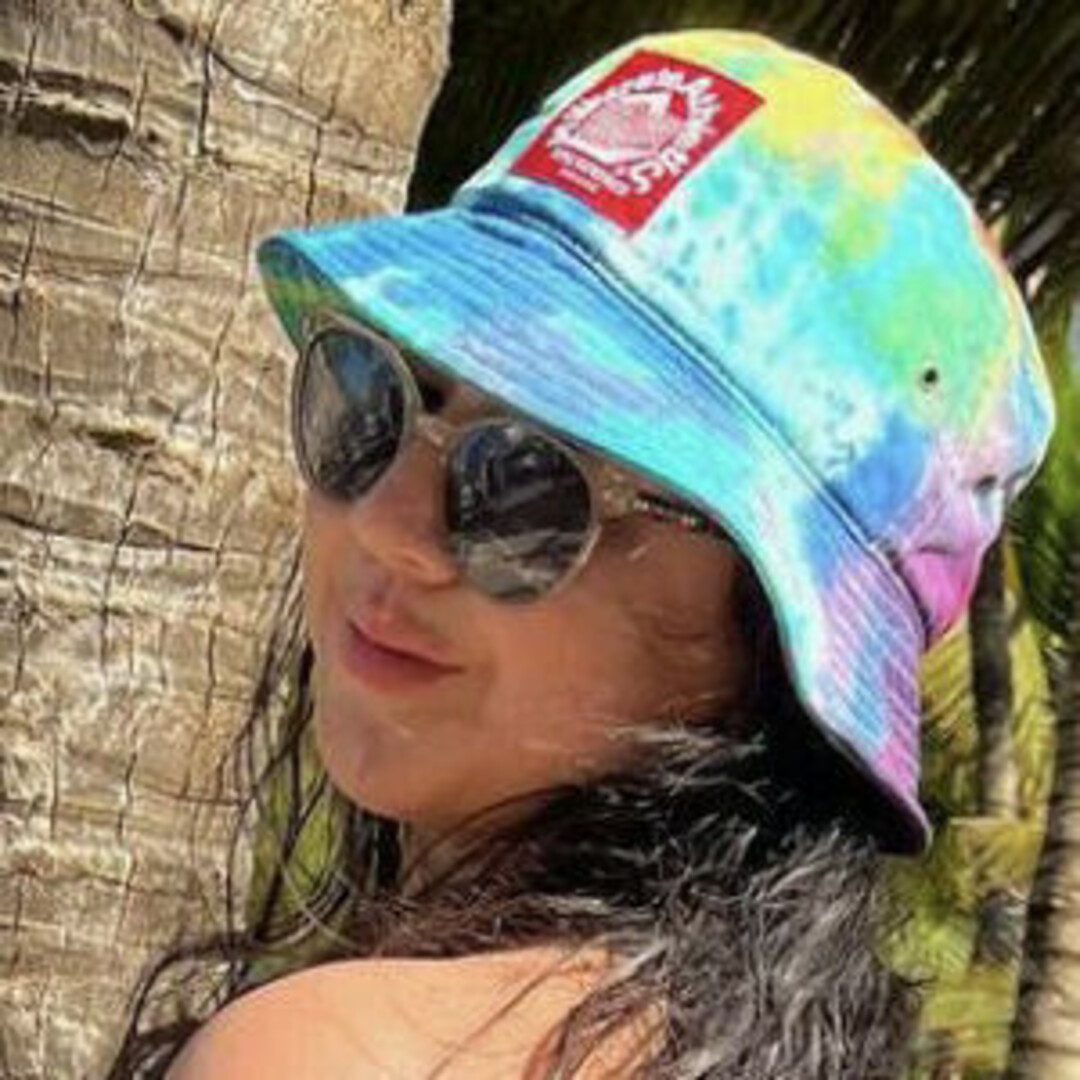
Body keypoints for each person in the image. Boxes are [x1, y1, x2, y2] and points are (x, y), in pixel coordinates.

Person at [111, 28, 1055, 1080]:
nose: (388, 521)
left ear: (769, 647)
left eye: (529, 483)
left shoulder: (331, 1056)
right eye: (375, 397)